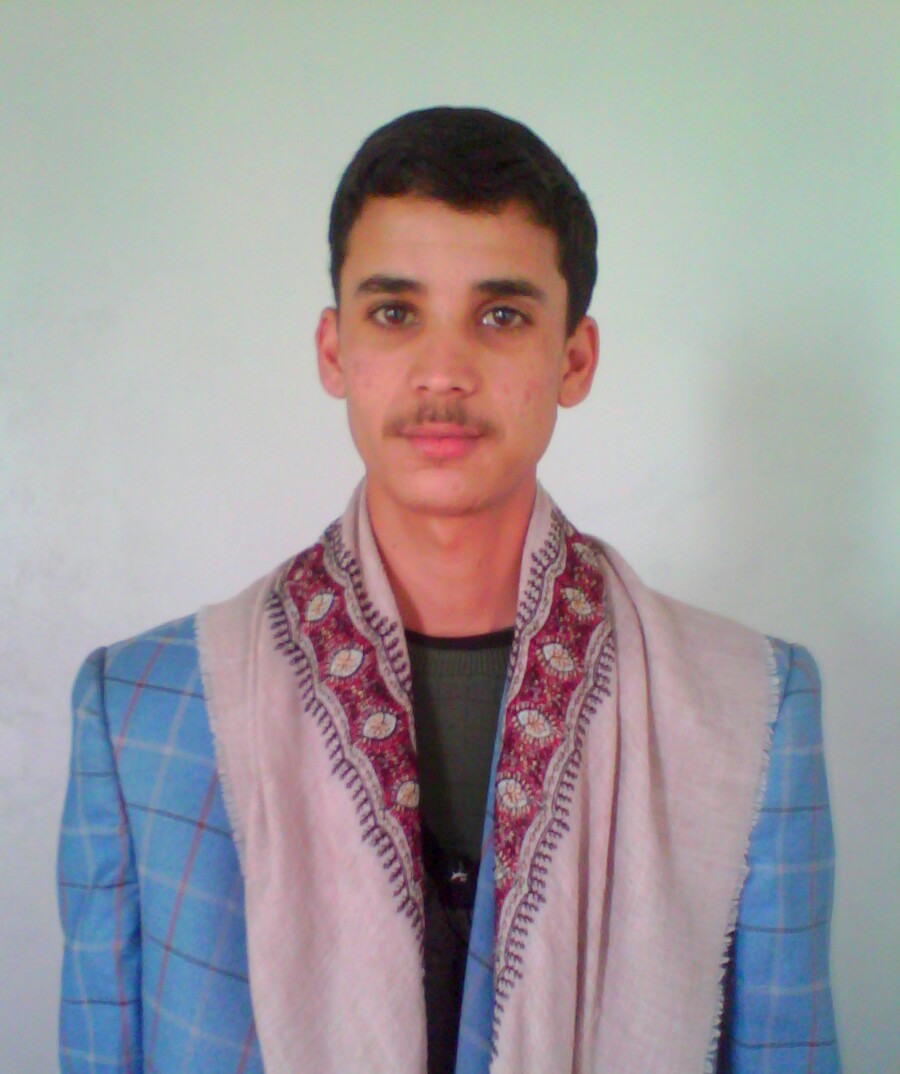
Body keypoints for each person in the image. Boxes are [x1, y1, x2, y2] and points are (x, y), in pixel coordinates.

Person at [57, 107, 841, 1074]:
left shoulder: (747, 707)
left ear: (575, 358)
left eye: (501, 316)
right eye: (395, 313)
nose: (442, 372)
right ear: (333, 351)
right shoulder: (143, 713)